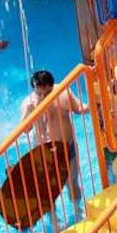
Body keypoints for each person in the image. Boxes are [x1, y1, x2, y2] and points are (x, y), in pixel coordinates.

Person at [21, 70, 88, 214]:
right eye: (39, 93)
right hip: (44, 153)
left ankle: (78, 210)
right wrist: (28, 112)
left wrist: (94, 105)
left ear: (52, 86)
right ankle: (53, 220)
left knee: (72, 182)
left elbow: (79, 108)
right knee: (47, 191)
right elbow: (25, 129)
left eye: (47, 92)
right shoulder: (29, 103)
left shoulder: (63, 92)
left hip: (66, 148)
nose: (43, 97)